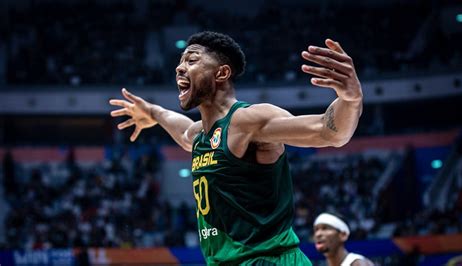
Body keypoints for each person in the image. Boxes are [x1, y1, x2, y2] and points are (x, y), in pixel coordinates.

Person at [109, 31, 363, 265]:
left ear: (221, 73)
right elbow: (181, 130)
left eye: (191, 60)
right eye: (180, 61)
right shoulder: (199, 136)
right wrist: (153, 112)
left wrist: (350, 99)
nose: (179, 68)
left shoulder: (250, 120)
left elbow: (329, 131)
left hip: (269, 260)